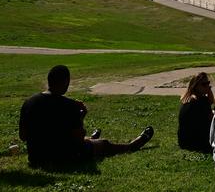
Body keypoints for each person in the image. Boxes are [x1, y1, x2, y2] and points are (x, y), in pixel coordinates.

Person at [19, 65, 154, 168]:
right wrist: (81, 116)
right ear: (66, 82)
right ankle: (131, 146)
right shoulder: (69, 105)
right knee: (104, 144)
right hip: (63, 158)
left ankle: (93, 139)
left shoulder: (29, 102)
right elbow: (78, 138)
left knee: (86, 140)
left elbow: (23, 136)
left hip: (36, 158)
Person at [178, 72, 215, 153]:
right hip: (197, 143)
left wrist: (209, 93)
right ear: (196, 86)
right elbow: (213, 118)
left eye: (208, 83)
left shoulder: (188, 99)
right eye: (204, 84)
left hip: (184, 142)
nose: (207, 86)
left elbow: (207, 111)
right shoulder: (201, 101)